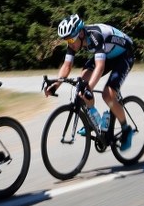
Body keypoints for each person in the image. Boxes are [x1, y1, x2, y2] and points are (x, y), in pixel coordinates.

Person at [45, 14, 136, 149]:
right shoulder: (74, 40)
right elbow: (67, 66)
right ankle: (93, 120)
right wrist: (55, 85)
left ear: (81, 33)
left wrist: (89, 89)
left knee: (108, 95)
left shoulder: (95, 36)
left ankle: (126, 128)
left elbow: (100, 67)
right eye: (67, 41)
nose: (69, 43)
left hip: (124, 55)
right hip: (108, 54)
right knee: (82, 81)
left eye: (71, 40)